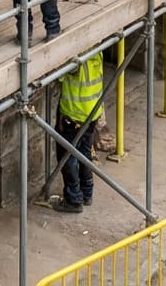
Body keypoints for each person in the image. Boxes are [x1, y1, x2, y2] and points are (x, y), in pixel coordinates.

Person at [52, 49, 104, 213]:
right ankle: (87, 193)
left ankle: (73, 199)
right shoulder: (97, 54)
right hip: (92, 114)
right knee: (84, 152)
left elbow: (58, 74)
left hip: (73, 116)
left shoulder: (76, 62)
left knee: (67, 157)